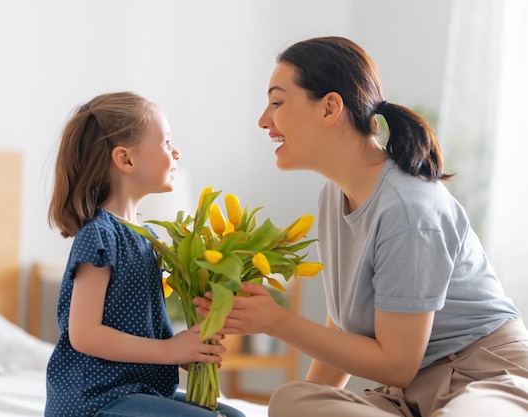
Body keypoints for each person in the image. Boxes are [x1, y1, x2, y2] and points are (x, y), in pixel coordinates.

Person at [194, 36, 528, 417]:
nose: (264, 120)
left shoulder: (408, 207)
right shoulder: (333, 198)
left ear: (329, 108)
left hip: (485, 379)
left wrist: (278, 323)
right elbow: (342, 327)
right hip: (411, 396)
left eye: (277, 102)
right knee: (290, 402)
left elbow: (398, 364)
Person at [45, 91, 245, 417]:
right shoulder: (99, 235)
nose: (177, 152)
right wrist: (169, 350)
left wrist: (183, 349)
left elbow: (146, 326)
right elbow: (83, 335)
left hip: (137, 390)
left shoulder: (146, 237)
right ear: (125, 159)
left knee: (234, 416)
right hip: (95, 398)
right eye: (166, 143)